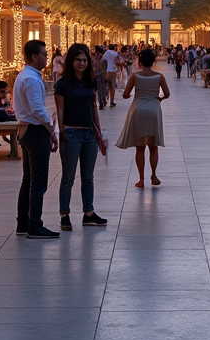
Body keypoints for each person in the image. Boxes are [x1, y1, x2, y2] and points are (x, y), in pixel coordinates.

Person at [55, 43, 108, 231]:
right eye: (78, 60)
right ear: (71, 61)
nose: (82, 63)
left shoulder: (90, 81)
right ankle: (65, 214)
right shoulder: (62, 83)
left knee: (88, 176)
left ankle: (89, 213)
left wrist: (99, 133)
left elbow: (94, 108)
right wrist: (61, 133)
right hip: (71, 133)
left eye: (85, 60)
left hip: (89, 134)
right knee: (68, 177)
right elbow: (60, 110)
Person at [13, 39, 60, 239]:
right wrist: (51, 130)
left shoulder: (26, 76)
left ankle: (23, 223)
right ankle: (35, 225)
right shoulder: (31, 79)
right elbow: (37, 109)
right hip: (34, 132)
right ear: (34, 57)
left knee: (28, 180)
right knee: (38, 182)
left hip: (26, 130)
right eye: (44, 54)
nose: (47, 57)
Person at [116, 48, 170, 188]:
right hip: (154, 110)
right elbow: (167, 94)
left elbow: (125, 94)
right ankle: (154, 174)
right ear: (153, 61)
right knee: (153, 146)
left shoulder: (135, 76)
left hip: (138, 110)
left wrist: (134, 94)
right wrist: (160, 98)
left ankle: (141, 179)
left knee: (140, 148)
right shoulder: (159, 76)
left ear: (140, 61)